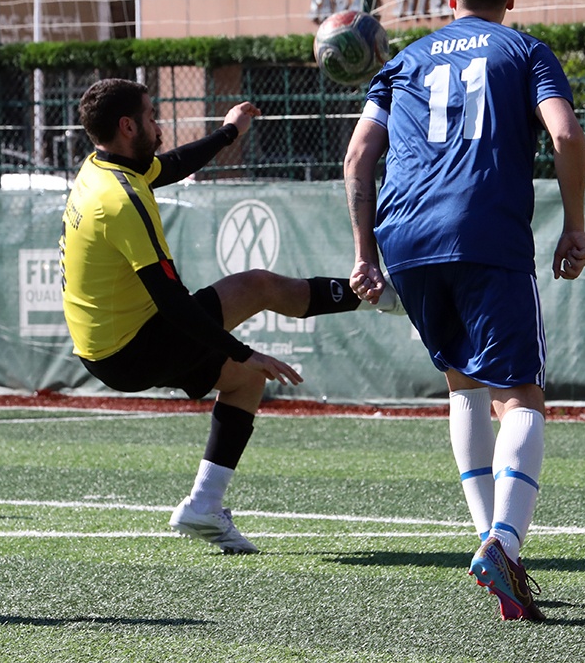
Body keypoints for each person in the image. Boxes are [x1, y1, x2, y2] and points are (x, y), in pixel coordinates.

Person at [343, 0, 585, 621]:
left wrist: (365, 254)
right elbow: (566, 136)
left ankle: (492, 545)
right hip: (482, 230)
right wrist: (574, 225)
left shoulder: (402, 61)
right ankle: (504, 544)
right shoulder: (526, 51)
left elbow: (359, 156)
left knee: (464, 385)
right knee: (521, 396)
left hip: (405, 236)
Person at [61, 78, 396, 554]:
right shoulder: (120, 200)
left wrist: (228, 133)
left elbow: (172, 165)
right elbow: (173, 301)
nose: (159, 126)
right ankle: (384, 295)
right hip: (134, 345)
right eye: (152, 117)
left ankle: (204, 505)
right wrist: (243, 350)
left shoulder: (102, 166)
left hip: (107, 348)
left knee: (245, 381)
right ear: (127, 126)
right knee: (257, 287)